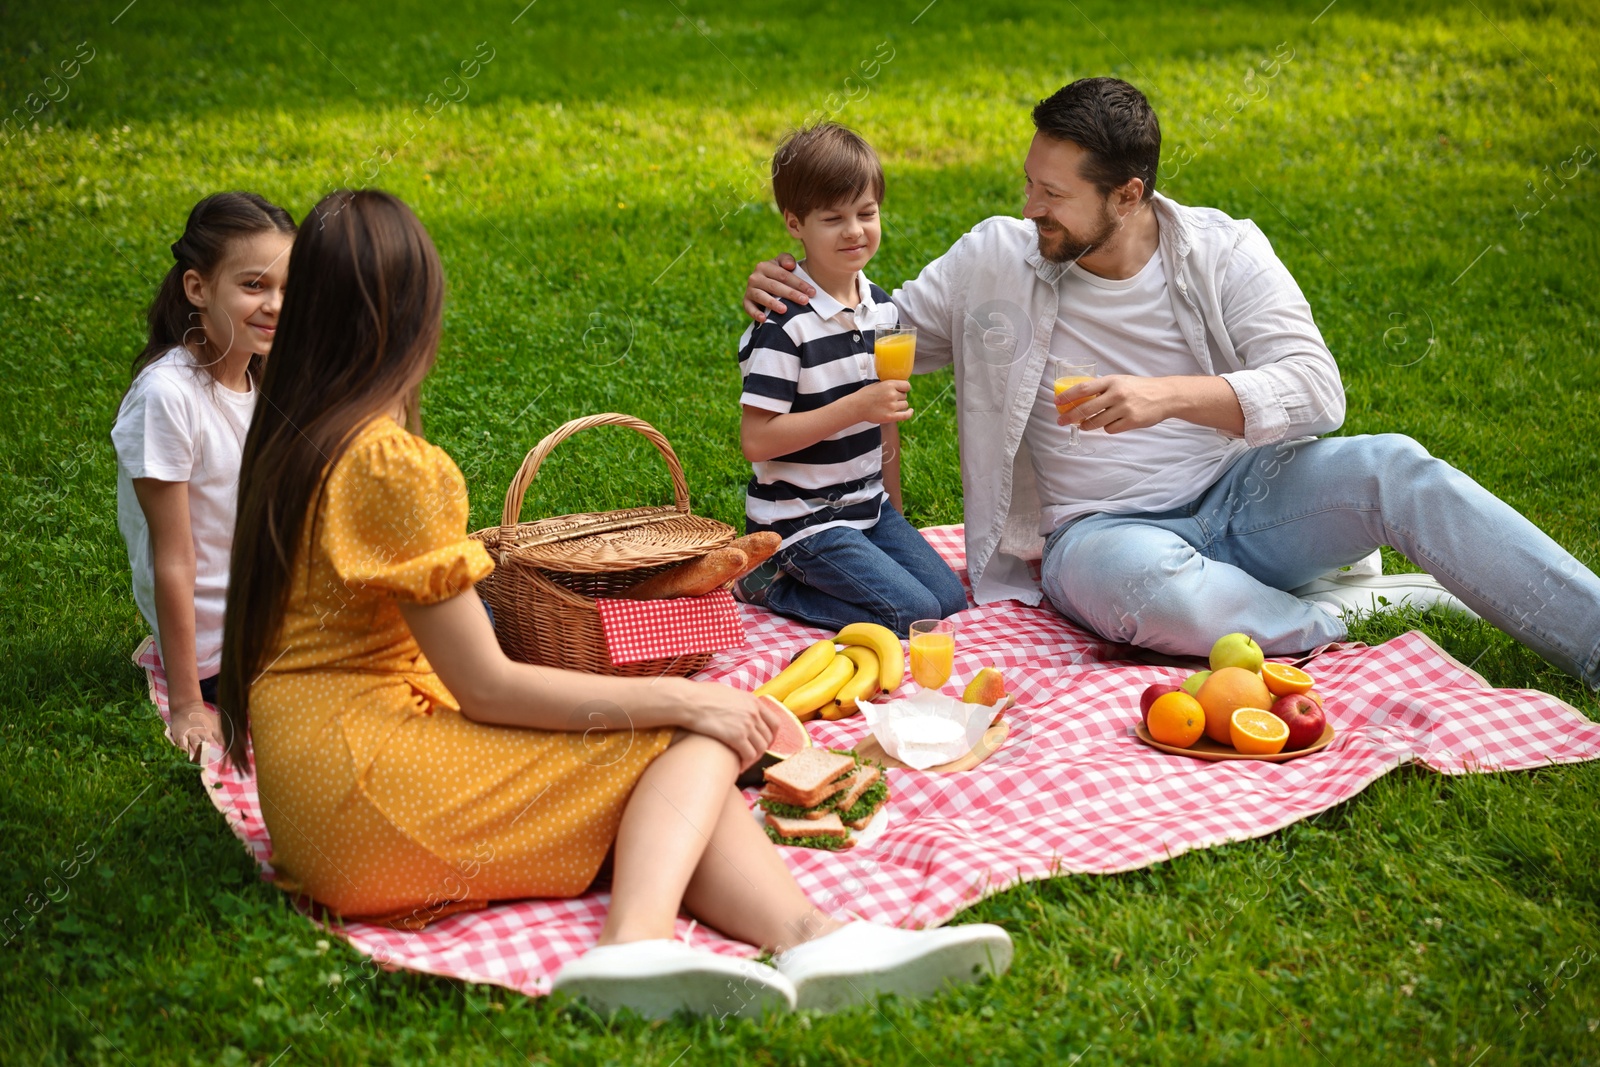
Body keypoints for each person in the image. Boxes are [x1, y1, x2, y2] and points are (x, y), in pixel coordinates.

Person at [216, 189, 1012, 1018]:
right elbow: (487, 685)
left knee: (669, 787)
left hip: (310, 788)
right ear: (415, 317)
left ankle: (818, 941)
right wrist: (689, 695)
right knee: (683, 740)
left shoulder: (291, 434)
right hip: (369, 800)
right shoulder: (390, 464)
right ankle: (633, 948)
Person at [744, 78, 1600, 689]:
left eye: (1053, 193)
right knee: (1145, 592)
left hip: (1244, 495)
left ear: (1128, 193)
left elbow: (1317, 389)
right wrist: (794, 291)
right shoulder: (996, 258)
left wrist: (1169, 394)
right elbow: (875, 337)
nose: (1030, 207)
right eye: (1029, 183)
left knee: (1397, 467)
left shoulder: (1225, 250)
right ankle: (1342, 620)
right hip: (1102, 536)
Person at [735, 122, 966, 635]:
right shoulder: (784, 325)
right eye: (833, 218)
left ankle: (861, 560)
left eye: (867, 213)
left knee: (949, 601)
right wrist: (858, 405)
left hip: (868, 506)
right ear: (795, 223)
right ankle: (770, 583)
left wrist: (896, 517)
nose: (854, 231)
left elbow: (885, 423)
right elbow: (757, 440)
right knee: (913, 615)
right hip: (798, 521)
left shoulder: (883, 311)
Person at [112, 192, 296, 760]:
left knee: (469, 613)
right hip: (227, 652)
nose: (274, 305)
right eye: (253, 286)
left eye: (288, 288)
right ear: (197, 288)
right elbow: (175, 559)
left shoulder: (261, 382)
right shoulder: (168, 397)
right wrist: (190, 703)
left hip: (279, 622)